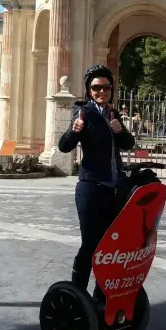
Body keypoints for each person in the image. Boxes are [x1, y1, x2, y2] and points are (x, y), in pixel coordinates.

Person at [58, 64, 135, 291]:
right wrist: (74, 130)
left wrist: (119, 129)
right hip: (91, 188)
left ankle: (102, 294)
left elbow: (129, 144)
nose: (101, 91)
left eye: (106, 87)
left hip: (114, 189)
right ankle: (77, 293)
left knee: (111, 246)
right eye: (96, 87)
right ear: (88, 90)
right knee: (91, 244)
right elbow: (64, 146)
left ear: (111, 89)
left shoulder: (113, 113)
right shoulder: (83, 112)